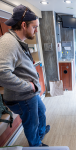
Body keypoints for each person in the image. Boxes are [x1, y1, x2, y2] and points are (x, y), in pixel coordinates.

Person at [0, 4, 50, 147]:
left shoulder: (18, 41)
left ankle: (40, 133)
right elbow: (2, 73)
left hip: (29, 94)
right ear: (23, 25)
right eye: (34, 27)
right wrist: (28, 85)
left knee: (42, 112)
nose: (36, 30)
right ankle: (36, 145)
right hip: (23, 97)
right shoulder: (8, 42)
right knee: (31, 124)